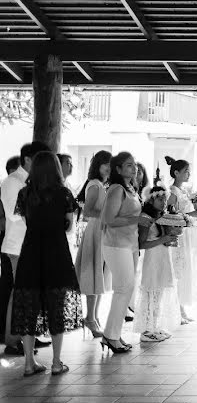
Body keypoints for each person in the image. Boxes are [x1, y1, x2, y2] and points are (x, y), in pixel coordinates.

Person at [10, 151, 82, 377]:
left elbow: (25, 221)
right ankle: (57, 363)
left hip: (31, 252)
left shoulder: (25, 193)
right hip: (56, 253)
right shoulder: (64, 193)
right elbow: (69, 226)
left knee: (29, 307)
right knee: (56, 306)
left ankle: (29, 363)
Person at [2, 141, 51, 356]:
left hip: (32, 245)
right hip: (18, 246)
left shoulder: (34, 181)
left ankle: (27, 336)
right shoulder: (13, 181)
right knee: (20, 294)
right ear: (29, 159)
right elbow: (13, 213)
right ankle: (13, 340)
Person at [100, 152, 143, 354]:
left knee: (125, 288)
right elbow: (109, 219)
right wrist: (136, 220)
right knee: (124, 288)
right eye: (128, 165)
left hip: (129, 244)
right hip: (116, 244)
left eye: (133, 164)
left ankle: (113, 334)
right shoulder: (117, 189)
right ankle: (111, 336)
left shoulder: (131, 189)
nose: (133, 168)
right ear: (117, 169)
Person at [134, 187, 180, 343]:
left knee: (159, 291)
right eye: (160, 199)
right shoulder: (146, 217)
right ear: (151, 200)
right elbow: (142, 243)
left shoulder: (162, 217)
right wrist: (163, 240)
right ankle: (146, 330)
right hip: (152, 257)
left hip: (162, 256)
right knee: (150, 291)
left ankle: (154, 326)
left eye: (164, 199)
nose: (163, 202)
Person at [74, 150, 112, 338]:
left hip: (102, 231)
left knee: (100, 276)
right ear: (98, 165)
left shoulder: (101, 185)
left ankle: (94, 317)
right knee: (93, 274)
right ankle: (90, 318)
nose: (109, 167)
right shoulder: (95, 185)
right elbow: (88, 211)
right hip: (96, 231)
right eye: (106, 163)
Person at [164, 156, 197, 324]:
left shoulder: (183, 191)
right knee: (178, 271)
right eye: (185, 171)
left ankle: (181, 307)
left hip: (188, 234)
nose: (189, 174)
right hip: (179, 235)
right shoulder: (172, 192)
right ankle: (176, 309)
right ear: (176, 173)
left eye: (189, 171)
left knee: (185, 270)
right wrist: (193, 215)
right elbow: (170, 216)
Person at [0, 156, 19, 340]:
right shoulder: (9, 185)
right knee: (12, 289)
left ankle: (17, 336)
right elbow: (9, 218)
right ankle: (11, 337)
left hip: (11, 243)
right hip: (10, 244)